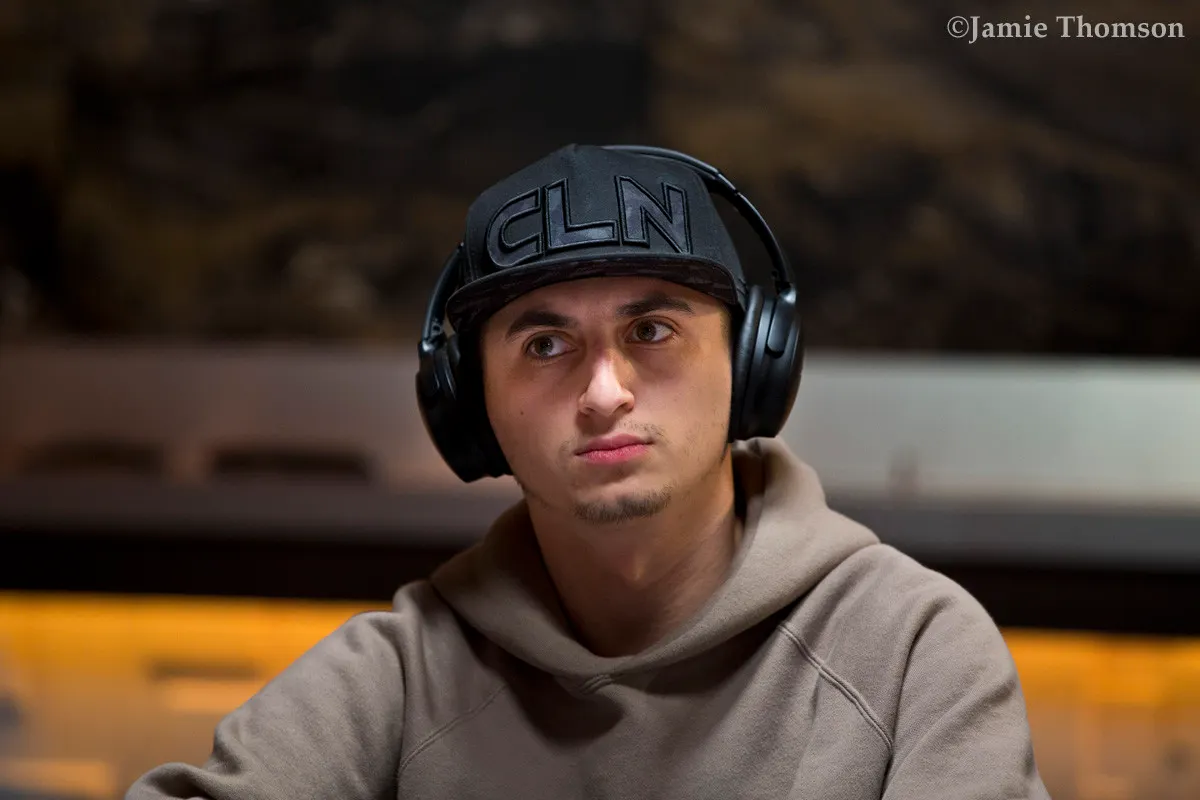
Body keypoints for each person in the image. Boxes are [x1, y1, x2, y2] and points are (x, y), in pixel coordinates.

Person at [127, 144, 1050, 799]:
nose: (605, 392)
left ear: (753, 362)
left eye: (653, 330)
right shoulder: (400, 676)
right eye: (544, 344)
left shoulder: (913, 652)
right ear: (469, 406)